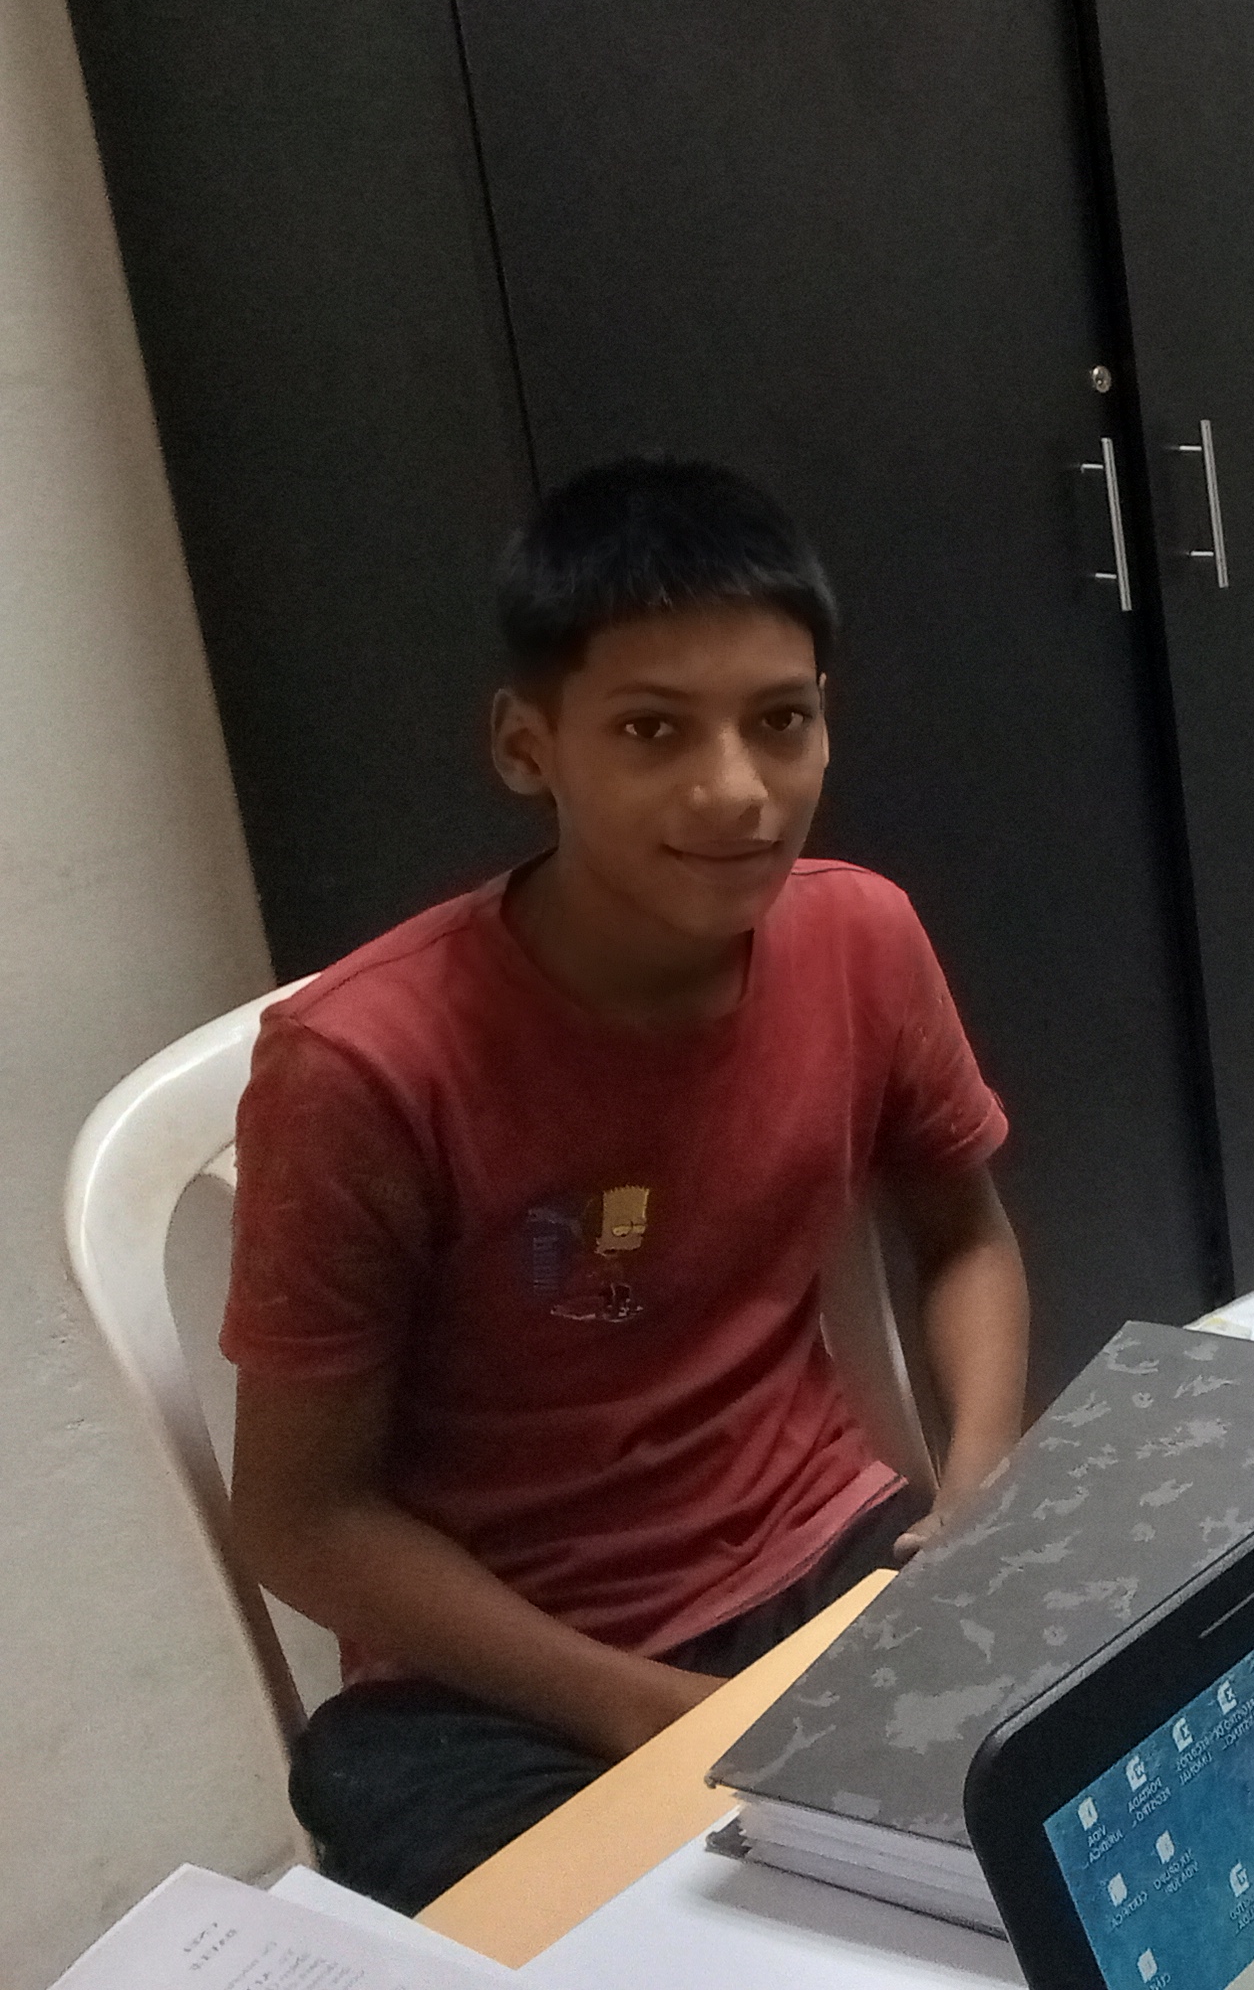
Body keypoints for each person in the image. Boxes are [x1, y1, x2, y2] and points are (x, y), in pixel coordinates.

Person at [222, 458, 1032, 1911]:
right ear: (525, 746)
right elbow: (300, 1516)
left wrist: (979, 1483)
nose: (737, 791)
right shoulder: (362, 1066)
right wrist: (643, 1712)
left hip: (819, 1558)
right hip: (500, 1681)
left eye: (781, 722)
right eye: (654, 729)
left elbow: (962, 1227)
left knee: (1097, 1795)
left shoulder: (862, 938)